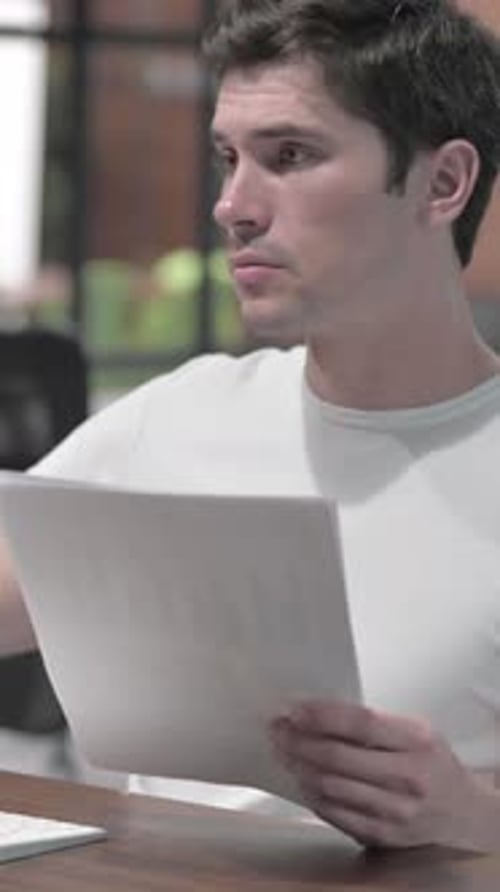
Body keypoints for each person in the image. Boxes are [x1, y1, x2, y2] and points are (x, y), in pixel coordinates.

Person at [2, 0, 500, 850]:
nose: (232, 205)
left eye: (290, 156)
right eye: (229, 159)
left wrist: (472, 816)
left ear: (442, 183)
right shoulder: (177, 416)